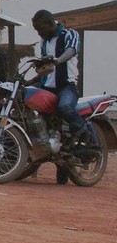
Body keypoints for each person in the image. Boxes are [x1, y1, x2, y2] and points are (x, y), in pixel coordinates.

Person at [31, 10, 97, 148]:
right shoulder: (44, 41)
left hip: (67, 87)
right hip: (48, 88)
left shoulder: (69, 34)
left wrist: (58, 60)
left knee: (64, 107)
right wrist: (28, 80)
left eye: (40, 29)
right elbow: (46, 68)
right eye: (36, 30)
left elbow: (72, 50)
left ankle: (88, 138)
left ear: (50, 24)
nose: (39, 33)